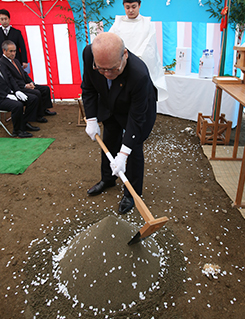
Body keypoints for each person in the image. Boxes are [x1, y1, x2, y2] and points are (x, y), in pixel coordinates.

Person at [82, 32, 157, 214]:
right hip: (110, 103)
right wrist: (91, 119)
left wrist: (123, 154)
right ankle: (108, 179)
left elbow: (136, 118)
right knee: (109, 139)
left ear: (124, 55)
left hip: (138, 109)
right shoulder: (89, 54)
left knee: (133, 148)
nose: (107, 74)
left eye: (113, 69)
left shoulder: (139, 74)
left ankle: (132, 194)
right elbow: (89, 87)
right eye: (101, 69)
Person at [109, 0, 168, 102]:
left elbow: (149, 46)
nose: (131, 10)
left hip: (140, 63)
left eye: (133, 7)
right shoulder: (118, 23)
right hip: (121, 64)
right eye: (127, 7)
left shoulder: (147, 24)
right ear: (123, 7)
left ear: (139, 5)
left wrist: (135, 60)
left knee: (140, 96)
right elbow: (111, 40)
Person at [0, 40, 56, 122]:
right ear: (4, 51)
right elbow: (10, 80)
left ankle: (43, 110)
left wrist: (31, 82)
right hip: (18, 87)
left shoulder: (15, 60)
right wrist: (24, 86)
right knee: (36, 93)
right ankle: (36, 116)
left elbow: (24, 73)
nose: (13, 53)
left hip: (25, 84)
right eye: (11, 51)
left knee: (45, 89)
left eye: (14, 51)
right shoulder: (3, 63)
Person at [0, 63, 39, 137]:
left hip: (9, 93)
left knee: (32, 99)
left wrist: (17, 91)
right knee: (17, 105)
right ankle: (17, 131)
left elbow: (11, 80)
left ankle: (24, 123)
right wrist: (6, 95)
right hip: (1, 98)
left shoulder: (2, 67)